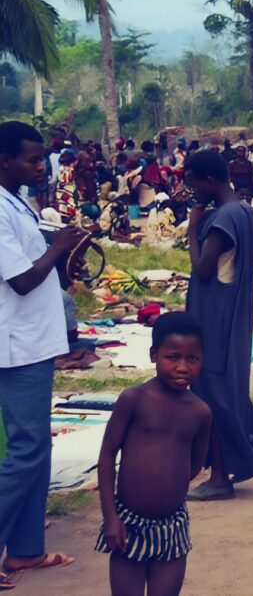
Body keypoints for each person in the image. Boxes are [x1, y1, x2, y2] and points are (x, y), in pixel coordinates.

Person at [0, 121, 82, 588]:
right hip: (18, 345)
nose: (39, 166)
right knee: (27, 450)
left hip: (35, 339)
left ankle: (26, 550)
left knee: (36, 447)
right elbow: (22, 279)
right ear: (4, 160)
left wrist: (66, 252)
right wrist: (58, 247)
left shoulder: (19, 202)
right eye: (32, 159)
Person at [96, 313, 212, 596]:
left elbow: (196, 463)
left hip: (172, 527)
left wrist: (168, 487)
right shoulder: (134, 400)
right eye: (173, 357)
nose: (183, 367)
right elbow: (107, 456)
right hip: (128, 524)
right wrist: (111, 517)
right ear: (153, 355)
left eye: (193, 358)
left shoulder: (200, 412)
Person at [183, 150, 253, 501]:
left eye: (194, 187)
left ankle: (220, 478)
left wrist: (193, 228)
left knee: (213, 397)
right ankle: (219, 470)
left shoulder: (222, 218)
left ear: (209, 181)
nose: (193, 194)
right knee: (223, 393)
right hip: (231, 314)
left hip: (214, 316)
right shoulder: (244, 211)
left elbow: (203, 267)